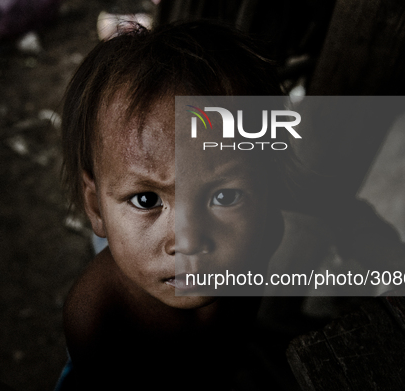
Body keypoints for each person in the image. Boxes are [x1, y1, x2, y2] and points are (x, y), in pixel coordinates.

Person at [59, 20, 298, 389]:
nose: (187, 240)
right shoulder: (96, 317)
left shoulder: (262, 239)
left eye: (225, 196)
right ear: (94, 207)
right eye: (147, 199)